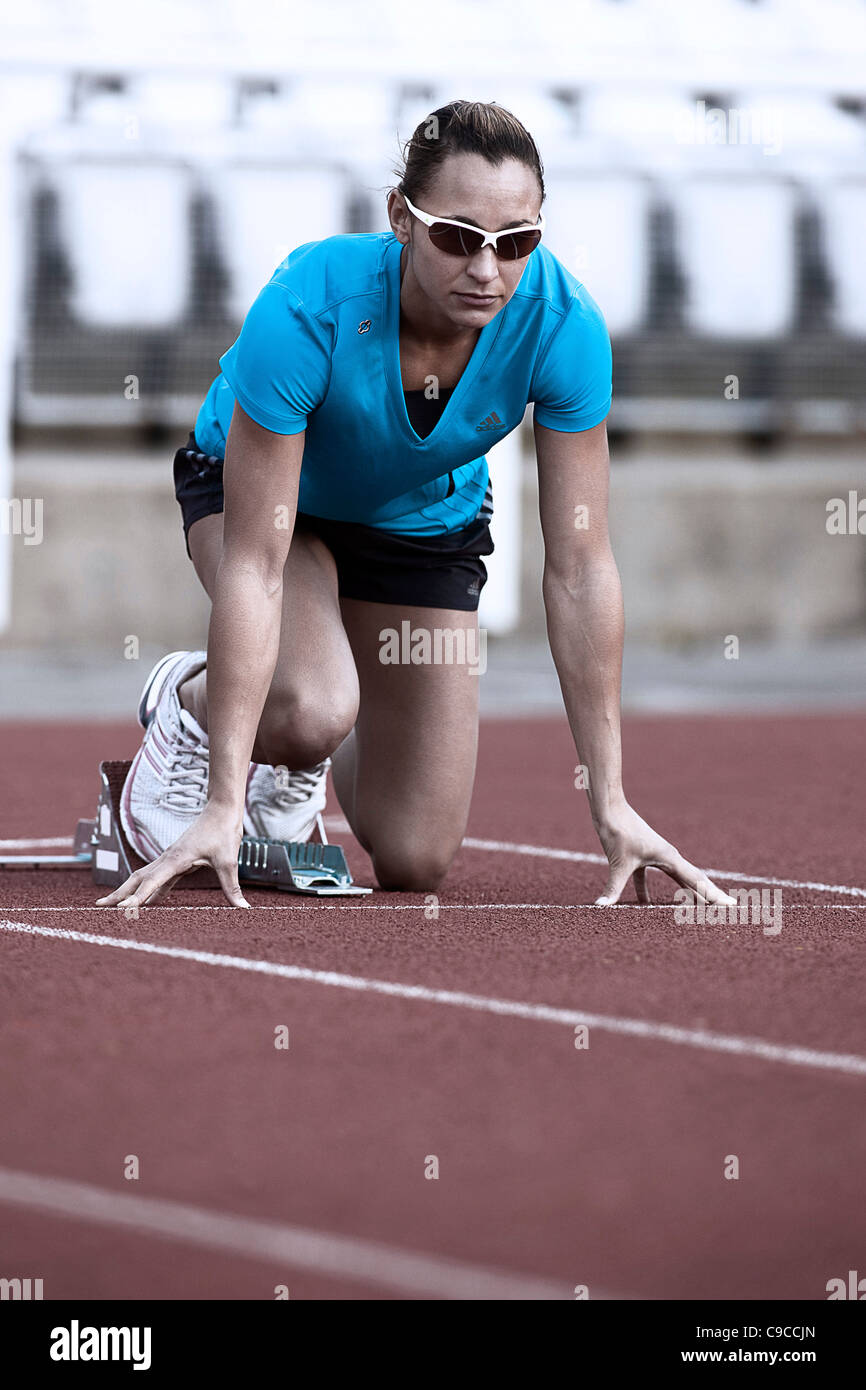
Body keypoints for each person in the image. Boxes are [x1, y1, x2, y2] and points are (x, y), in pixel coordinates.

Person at [97, 99, 734, 913]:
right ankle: (191, 701)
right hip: (268, 506)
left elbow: (580, 568)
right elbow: (256, 561)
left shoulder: (563, 326)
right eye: (458, 236)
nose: (486, 269)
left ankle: (300, 725)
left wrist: (609, 802)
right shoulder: (307, 306)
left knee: (416, 855)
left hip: (419, 526)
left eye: (517, 242)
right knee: (309, 706)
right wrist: (225, 800)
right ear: (401, 216)